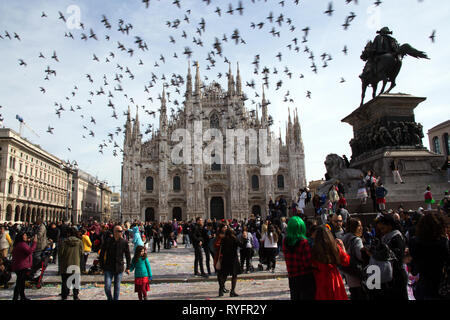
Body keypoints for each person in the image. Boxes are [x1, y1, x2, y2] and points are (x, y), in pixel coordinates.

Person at [409, 213, 449, 300]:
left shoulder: (414, 242)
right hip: (439, 284)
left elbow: (413, 267)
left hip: (422, 283)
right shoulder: (443, 243)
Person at [311, 226, 350, 300]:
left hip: (320, 279)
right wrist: (343, 248)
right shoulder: (335, 247)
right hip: (334, 277)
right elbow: (346, 261)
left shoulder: (314, 250)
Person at [376, 214, 408, 300]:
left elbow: (396, 257)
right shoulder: (386, 238)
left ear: (390, 226)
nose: (382, 231)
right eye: (380, 229)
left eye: (383, 228)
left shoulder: (396, 237)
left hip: (397, 276)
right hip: (389, 276)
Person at [282, 216, 315, 300]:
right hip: (306, 277)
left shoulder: (285, 242)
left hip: (292, 276)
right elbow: (307, 262)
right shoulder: (304, 242)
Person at [99, 225, 131, 300]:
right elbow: (102, 253)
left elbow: (128, 255)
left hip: (119, 267)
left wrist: (128, 267)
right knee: (107, 286)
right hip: (108, 267)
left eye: (121, 231)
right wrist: (102, 266)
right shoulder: (108, 241)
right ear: (114, 232)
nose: (121, 232)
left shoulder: (124, 242)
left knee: (117, 287)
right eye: (120, 231)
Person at [341, 218, 367, 300]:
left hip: (348, 274)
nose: (361, 228)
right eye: (359, 225)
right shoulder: (356, 240)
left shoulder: (343, 239)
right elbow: (361, 256)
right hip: (358, 275)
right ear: (353, 227)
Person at [11, 232, 37, 300]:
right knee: (19, 283)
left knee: (21, 282)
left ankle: (22, 296)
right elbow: (30, 251)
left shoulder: (19, 244)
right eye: (24, 235)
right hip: (21, 266)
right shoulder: (22, 244)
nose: (26, 236)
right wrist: (34, 242)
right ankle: (16, 297)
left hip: (20, 265)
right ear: (21, 237)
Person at [59, 227, 83, 300]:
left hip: (65, 264)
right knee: (75, 281)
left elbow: (61, 253)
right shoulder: (79, 242)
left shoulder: (64, 242)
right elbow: (82, 252)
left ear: (68, 233)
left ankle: (64, 296)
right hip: (75, 263)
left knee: (65, 281)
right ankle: (75, 296)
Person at [217, 229, 242, 297]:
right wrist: (245, 239)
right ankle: (232, 291)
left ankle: (221, 290)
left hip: (225, 259)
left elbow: (221, 250)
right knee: (234, 275)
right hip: (233, 259)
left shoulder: (223, 239)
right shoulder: (235, 239)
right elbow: (241, 245)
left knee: (224, 275)